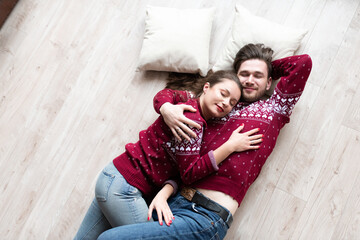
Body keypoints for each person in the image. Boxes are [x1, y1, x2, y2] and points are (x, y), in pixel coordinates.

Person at [97, 43, 313, 240]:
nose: (249, 80)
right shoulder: (213, 113)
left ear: (268, 83)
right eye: (244, 74)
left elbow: (302, 64)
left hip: (206, 215)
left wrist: (266, 67)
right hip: (175, 203)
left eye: (257, 76)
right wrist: (164, 193)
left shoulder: (275, 109)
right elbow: (188, 167)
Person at [74, 70, 263, 240]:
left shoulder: (190, 102)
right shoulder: (192, 121)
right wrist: (230, 146)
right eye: (223, 94)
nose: (225, 103)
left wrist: (166, 107)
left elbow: (168, 94)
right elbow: (190, 173)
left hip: (113, 178)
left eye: (232, 102)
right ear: (207, 87)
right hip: (124, 189)